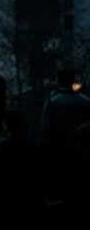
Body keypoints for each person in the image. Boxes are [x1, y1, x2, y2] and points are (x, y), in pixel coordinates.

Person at [40, 67, 90, 201]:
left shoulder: (53, 101)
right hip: (81, 150)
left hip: (58, 149)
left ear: (58, 81)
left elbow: (45, 128)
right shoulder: (85, 101)